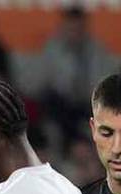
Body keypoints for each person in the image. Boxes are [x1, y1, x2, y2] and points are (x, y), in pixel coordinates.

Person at [39, 8, 116, 143]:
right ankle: (74, 142)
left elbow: (105, 80)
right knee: (54, 105)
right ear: (63, 28)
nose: (74, 33)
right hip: (62, 102)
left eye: (78, 28)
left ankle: (76, 142)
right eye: (70, 28)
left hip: (88, 102)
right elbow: (44, 80)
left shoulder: (97, 50)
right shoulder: (53, 49)